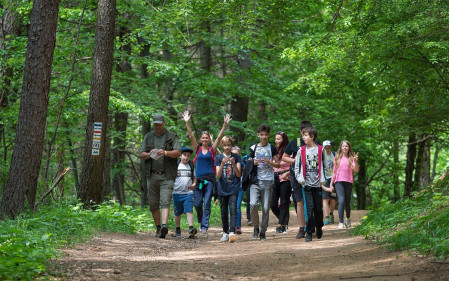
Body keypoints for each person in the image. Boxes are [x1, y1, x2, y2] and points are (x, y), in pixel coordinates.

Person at [183, 111, 231, 234]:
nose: (205, 139)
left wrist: (224, 125)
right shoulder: (198, 149)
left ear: (209, 139)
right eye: (203, 137)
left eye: (207, 137)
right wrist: (187, 122)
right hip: (199, 180)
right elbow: (191, 137)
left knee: (207, 202)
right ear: (201, 139)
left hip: (210, 180)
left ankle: (204, 226)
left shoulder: (212, 149)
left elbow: (220, 137)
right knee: (198, 203)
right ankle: (200, 219)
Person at [140, 113, 181, 238]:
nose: (157, 126)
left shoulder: (171, 136)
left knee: (165, 201)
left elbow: (178, 152)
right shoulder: (148, 137)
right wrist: (149, 154)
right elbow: (141, 154)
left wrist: (165, 152)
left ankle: (164, 226)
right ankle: (158, 228)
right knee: (153, 203)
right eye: (155, 124)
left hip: (167, 175)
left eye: (159, 123)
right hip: (152, 175)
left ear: (163, 123)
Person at [282, 121, 315, 239]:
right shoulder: (295, 142)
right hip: (296, 174)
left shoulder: (315, 143)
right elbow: (284, 157)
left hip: (311, 175)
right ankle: (302, 227)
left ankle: (312, 226)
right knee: (299, 201)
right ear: (301, 131)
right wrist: (295, 161)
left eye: (308, 131)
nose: (305, 134)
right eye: (303, 132)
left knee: (311, 201)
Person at [248, 124, 280, 241]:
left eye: (266, 134)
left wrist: (270, 162)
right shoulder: (253, 148)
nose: (264, 137)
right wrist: (253, 162)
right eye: (261, 134)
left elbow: (278, 164)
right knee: (253, 204)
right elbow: (248, 162)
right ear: (258, 135)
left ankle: (263, 231)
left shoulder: (272, 148)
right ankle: (255, 228)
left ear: (269, 135)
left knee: (266, 208)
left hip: (268, 180)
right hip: (255, 180)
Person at [294, 127, 325, 242]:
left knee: (318, 209)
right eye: (303, 135)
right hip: (306, 184)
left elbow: (326, 166)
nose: (303, 137)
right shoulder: (301, 150)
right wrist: (299, 178)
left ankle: (319, 227)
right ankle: (309, 232)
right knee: (309, 208)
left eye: (306, 135)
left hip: (318, 184)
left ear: (312, 137)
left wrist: (324, 179)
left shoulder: (320, 150)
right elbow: (296, 167)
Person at [216, 137, 242, 242]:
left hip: (233, 187)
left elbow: (238, 174)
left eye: (229, 145)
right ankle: (225, 232)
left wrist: (234, 163)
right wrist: (222, 164)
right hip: (222, 188)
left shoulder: (237, 157)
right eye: (225, 145)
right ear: (222, 146)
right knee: (223, 211)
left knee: (233, 208)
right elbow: (217, 176)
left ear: (231, 145)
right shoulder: (218, 158)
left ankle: (232, 231)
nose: (227, 147)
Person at [330, 140, 359, 229]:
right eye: (343, 146)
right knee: (341, 201)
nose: (345, 147)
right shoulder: (337, 157)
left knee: (347, 202)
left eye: (346, 146)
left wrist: (355, 161)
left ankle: (348, 218)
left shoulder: (351, 158)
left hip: (348, 182)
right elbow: (334, 172)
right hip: (338, 182)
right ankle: (341, 222)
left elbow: (356, 170)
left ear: (349, 148)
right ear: (341, 147)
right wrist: (331, 184)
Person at [173, 147, 197, 238]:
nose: (186, 157)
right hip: (177, 193)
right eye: (184, 155)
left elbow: (194, 178)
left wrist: (194, 184)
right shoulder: (176, 165)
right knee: (177, 212)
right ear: (180, 155)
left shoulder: (190, 166)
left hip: (188, 193)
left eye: (188, 155)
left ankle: (191, 228)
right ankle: (177, 229)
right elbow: (171, 178)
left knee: (189, 210)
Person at [271, 131, 292, 234]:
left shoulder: (289, 151)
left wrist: (288, 172)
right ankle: (283, 221)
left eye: (278, 139)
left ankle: (280, 225)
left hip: (286, 178)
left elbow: (294, 165)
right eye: (275, 138)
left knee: (284, 202)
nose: (276, 141)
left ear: (283, 140)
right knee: (273, 204)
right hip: (274, 178)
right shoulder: (273, 150)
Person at [322, 140, 336, 225]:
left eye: (328, 147)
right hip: (324, 179)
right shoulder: (321, 156)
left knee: (332, 198)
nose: (327, 149)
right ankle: (326, 217)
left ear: (330, 147)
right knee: (325, 198)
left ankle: (331, 214)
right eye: (325, 148)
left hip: (333, 178)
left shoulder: (334, 155)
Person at [231, 146, 244, 234]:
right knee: (231, 208)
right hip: (229, 188)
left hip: (239, 187)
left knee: (237, 206)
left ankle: (238, 226)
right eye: (233, 154)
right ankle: (232, 226)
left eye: (237, 154)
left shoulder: (241, 163)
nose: (235, 155)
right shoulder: (228, 162)